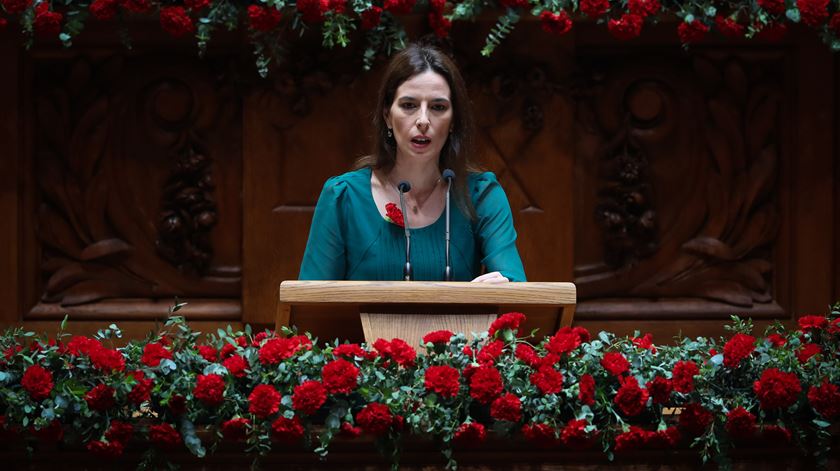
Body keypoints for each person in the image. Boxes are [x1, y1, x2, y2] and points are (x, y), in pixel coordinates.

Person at [298, 42, 526, 283]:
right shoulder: (344, 197)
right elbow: (308, 305)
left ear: (453, 121)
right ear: (387, 115)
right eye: (409, 105)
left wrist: (504, 286)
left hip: (457, 323)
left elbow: (514, 286)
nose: (423, 120)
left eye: (438, 107)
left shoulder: (481, 195)